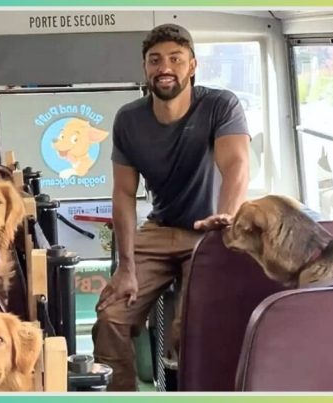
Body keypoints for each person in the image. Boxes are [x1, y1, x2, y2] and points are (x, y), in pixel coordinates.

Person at [91, 23, 251, 391]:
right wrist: (126, 267)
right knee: (111, 314)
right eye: (155, 60)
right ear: (145, 69)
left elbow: (236, 166)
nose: (165, 67)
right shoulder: (129, 119)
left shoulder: (219, 105)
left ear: (192, 65)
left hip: (212, 232)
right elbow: (123, 195)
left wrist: (223, 222)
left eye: (175, 59)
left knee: (191, 326)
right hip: (161, 229)